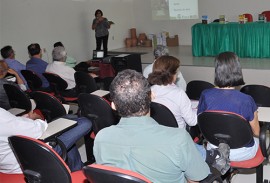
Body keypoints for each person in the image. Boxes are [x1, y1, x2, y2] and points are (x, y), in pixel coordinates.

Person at [93, 69, 210, 183]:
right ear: (152, 96)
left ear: (113, 105)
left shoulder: (101, 138)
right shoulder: (179, 139)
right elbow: (194, 179)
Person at [198, 51, 260, 162]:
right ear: (237, 71)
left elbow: (202, 121)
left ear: (217, 71)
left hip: (214, 147)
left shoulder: (205, 95)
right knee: (259, 139)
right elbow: (257, 132)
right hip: (242, 152)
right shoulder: (246, 100)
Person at [0, 107, 92, 174]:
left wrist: (23, 119)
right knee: (85, 123)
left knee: (68, 121)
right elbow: (38, 129)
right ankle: (77, 169)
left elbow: (9, 126)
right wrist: (37, 119)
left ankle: (77, 168)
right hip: (30, 160)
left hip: (5, 164)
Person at [148, 55, 197, 129]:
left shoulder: (149, 91)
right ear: (171, 74)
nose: (177, 75)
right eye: (176, 71)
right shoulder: (179, 94)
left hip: (157, 133)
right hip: (178, 135)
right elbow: (192, 121)